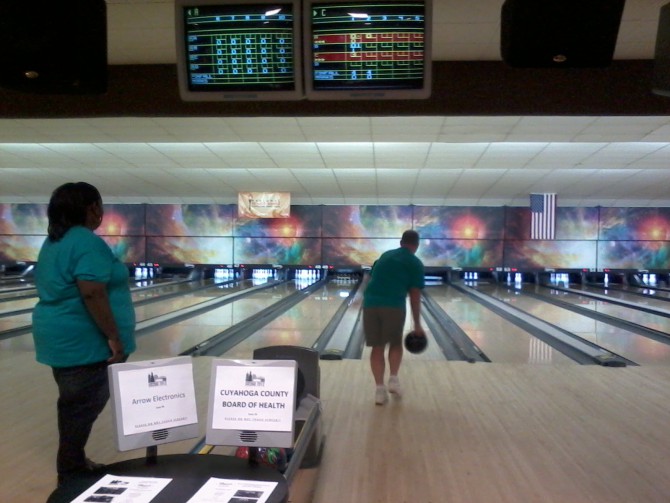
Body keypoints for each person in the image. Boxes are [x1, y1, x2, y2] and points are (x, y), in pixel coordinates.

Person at [32, 182, 136, 486]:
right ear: (92, 208)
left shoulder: (55, 240)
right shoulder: (86, 241)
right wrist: (114, 336)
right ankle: (71, 472)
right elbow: (92, 292)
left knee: (74, 404)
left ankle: (73, 462)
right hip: (84, 341)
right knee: (80, 406)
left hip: (59, 336)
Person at [362, 229, 426, 405]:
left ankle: (379, 390)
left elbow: (371, 278)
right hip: (393, 306)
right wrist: (417, 324)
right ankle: (393, 380)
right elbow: (415, 295)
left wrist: (360, 298)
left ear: (400, 242)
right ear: (417, 245)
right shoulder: (415, 262)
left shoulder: (385, 256)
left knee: (377, 347)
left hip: (370, 304)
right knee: (395, 344)